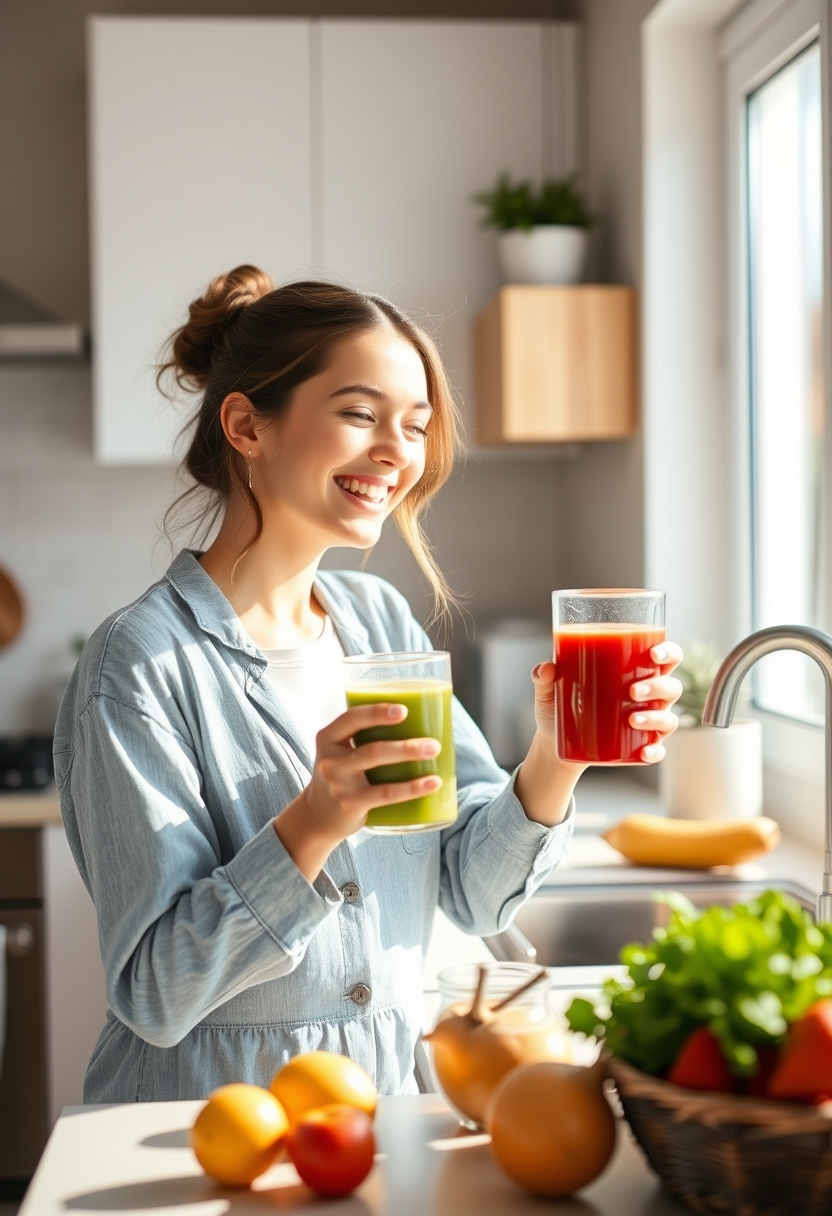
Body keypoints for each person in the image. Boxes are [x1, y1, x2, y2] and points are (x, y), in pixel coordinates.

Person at [54, 267, 682, 1103]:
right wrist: (315, 820)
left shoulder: (378, 621)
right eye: (359, 414)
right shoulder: (140, 666)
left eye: (415, 426)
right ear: (245, 424)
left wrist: (557, 757)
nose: (397, 452)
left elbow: (471, 892)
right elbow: (157, 993)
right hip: (207, 1128)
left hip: (382, 1118)